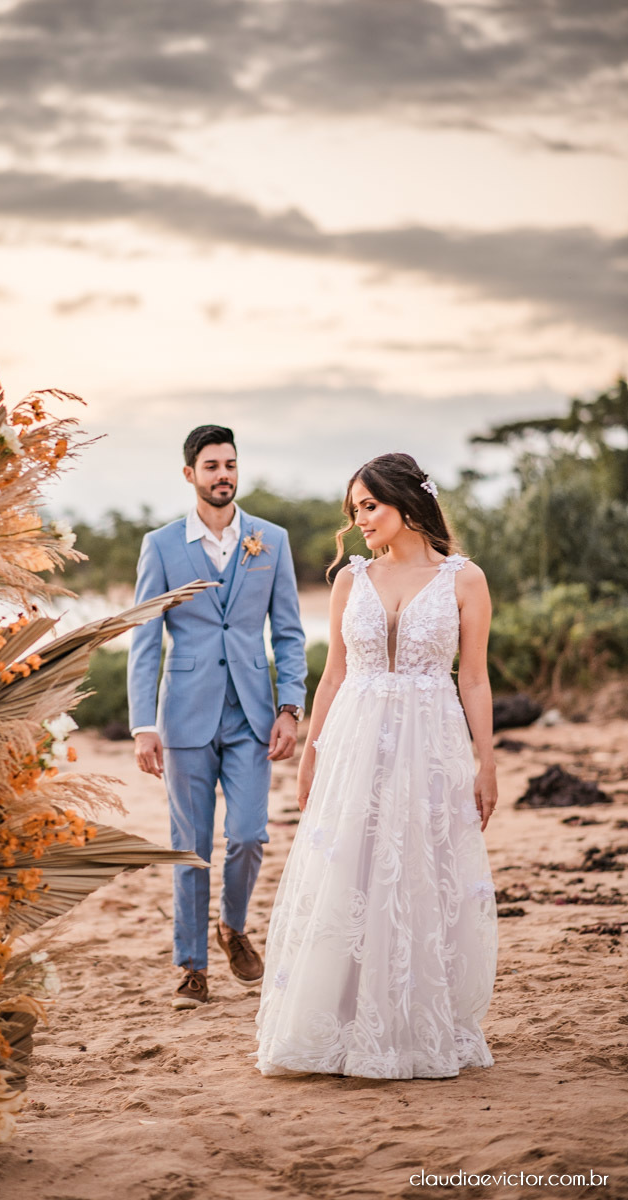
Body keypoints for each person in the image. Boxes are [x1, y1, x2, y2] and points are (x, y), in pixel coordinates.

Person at [256, 451, 498, 1078]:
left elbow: (474, 680)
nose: (361, 519)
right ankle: (338, 1021)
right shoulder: (350, 580)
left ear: (408, 504)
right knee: (351, 872)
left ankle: (414, 1023)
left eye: (371, 506)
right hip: (354, 744)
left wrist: (486, 764)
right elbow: (333, 675)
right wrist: (311, 756)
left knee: (420, 871)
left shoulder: (464, 579)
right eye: (355, 509)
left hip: (431, 745)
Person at [128, 425, 307, 1010]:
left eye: (230, 464)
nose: (222, 474)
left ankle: (232, 926)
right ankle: (191, 965)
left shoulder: (270, 540)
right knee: (190, 846)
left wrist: (290, 706)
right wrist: (142, 723)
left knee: (251, 835)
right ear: (190, 475)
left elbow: (287, 631)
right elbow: (145, 640)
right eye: (211, 466)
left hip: (253, 715)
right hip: (184, 716)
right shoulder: (160, 546)